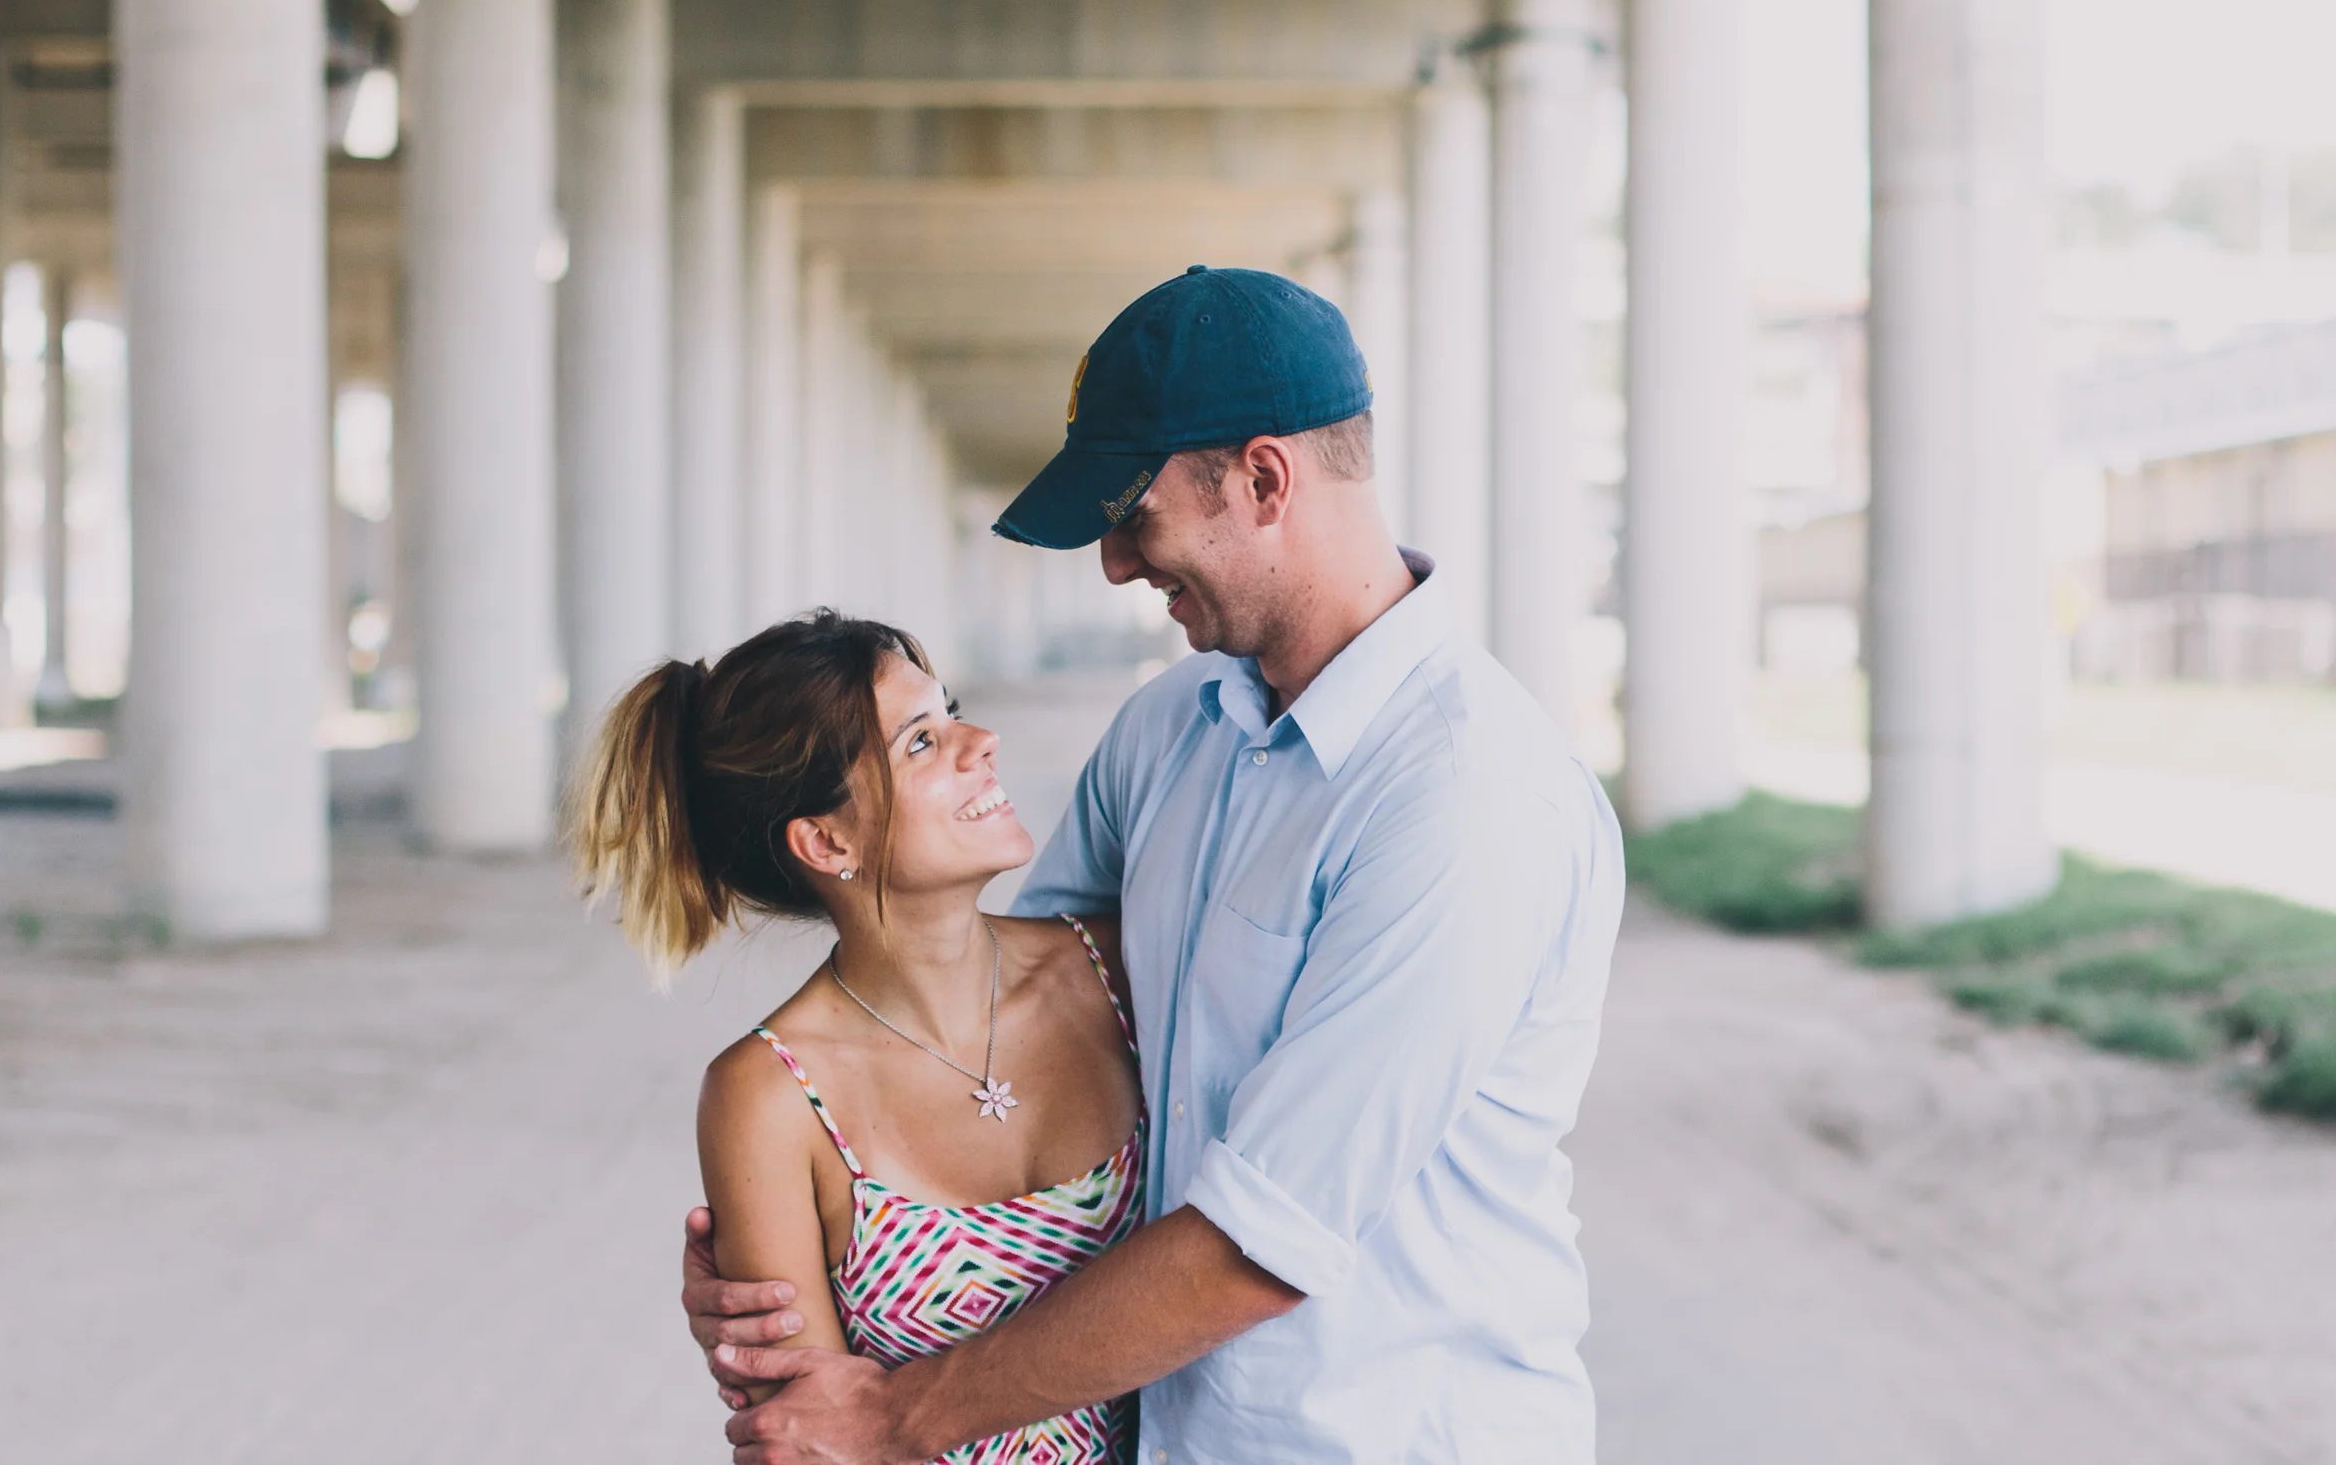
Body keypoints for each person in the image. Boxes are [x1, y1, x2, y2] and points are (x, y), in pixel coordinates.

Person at [685, 266, 1628, 1465]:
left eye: (1133, 509)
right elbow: (1011, 1039)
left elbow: (1260, 1241)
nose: (1117, 563)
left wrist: (886, 1411)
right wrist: (791, 1266)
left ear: (1263, 477)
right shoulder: (1168, 730)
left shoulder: (1462, 797)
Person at [569, 614, 1153, 1463]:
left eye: (950, 711)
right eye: (920, 742)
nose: (982, 740)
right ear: (826, 840)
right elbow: (802, 1439)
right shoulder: (767, 1095)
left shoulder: (1121, 969)